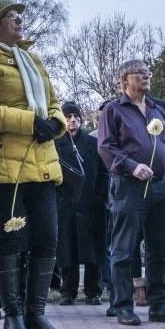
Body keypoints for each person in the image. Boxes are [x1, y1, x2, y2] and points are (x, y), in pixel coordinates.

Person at [0, 0, 69, 329]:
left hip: (42, 162)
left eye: (19, 16)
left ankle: (36, 314)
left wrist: (54, 123)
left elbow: (54, 104)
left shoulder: (32, 59)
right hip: (4, 165)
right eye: (12, 16)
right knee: (8, 237)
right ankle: (12, 317)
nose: (20, 21)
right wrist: (31, 122)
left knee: (47, 237)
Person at [97, 59, 165, 327]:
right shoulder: (113, 111)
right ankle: (123, 305)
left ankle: (159, 305)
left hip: (163, 189)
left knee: (160, 250)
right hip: (130, 188)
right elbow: (106, 147)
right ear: (125, 80)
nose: (147, 76)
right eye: (140, 73)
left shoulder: (159, 111)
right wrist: (132, 167)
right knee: (124, 250)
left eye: (148, 72)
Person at [54, 101, 108, 306]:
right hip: (66, 204)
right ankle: (67, 291)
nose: (72, 121)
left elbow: (103, 173)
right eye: (68, 117)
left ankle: (93, 291)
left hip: (91, 204)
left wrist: (100, 196)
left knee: (93, 249)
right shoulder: (56, 145)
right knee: (67, 249)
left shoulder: (93, 143)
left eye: (76, 117)